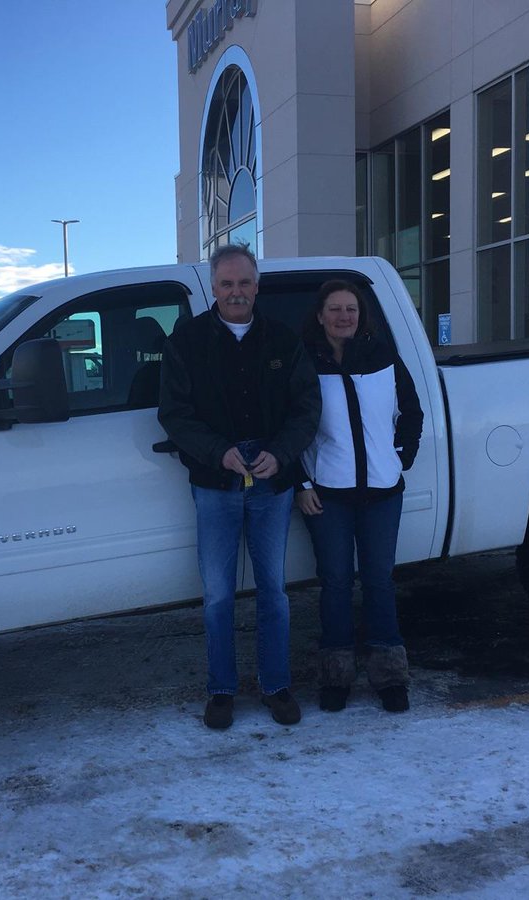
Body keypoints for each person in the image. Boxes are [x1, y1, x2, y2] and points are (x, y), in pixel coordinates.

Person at [158, 243, 321, 730]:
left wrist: (283, 453)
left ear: (257, 285)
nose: (236, 292)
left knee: (274, 590)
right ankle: (222, 690)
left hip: (273, 484)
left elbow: (306, 408)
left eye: (244, 282)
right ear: (213, 286)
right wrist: (217, 452)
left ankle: (276, 685)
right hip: (215, 482)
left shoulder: (282, 341)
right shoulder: (185, 342)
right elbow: (174, 414)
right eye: (226, 283)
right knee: (218, 595)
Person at [296, 279, 423, 713]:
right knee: (334, 584)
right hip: (328, 495)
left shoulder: (383, 356)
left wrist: (403, 453)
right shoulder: (305, 363)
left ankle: (389, 676)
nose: (343, 316)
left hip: (383, 492)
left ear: (360, 314)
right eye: (335, 309)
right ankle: (336, 676)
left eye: (351, 308)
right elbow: (290, 427)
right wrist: (302, 483)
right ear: (320, 315)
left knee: (379, 581)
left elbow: (411, 409)